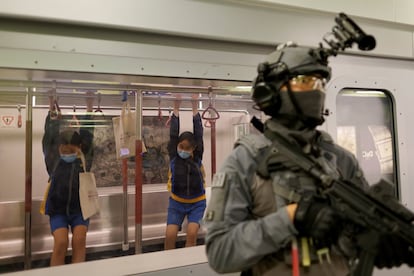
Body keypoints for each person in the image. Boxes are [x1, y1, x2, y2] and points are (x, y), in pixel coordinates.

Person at [204, 42, 414, 275]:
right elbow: (220, 253)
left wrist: (379, 241)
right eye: (304, 81)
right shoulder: (246, 161)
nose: (317, 91)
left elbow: (353, 238)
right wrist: (292, 218)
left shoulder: (341, 160)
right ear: (272, 92)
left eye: (320, 82)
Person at [42, 93, 94, 266]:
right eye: (64, 151)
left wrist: (89, 108)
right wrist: (51, 108)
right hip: (58, 210)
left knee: (79, 241)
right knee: (61, 243)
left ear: (79, 149)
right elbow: (49, 136)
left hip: (80, 209)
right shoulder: (53, 159)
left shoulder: (84, 159)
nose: (67, 154)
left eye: (71, 151)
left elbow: (87, 134)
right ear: (58, 149)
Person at [164, 94, 206, 250]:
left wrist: (195, 108)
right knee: (169, 235)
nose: (183, 150)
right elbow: (173, 135)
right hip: (176, 203)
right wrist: (176, 108)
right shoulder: (175, 155)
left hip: (197, 203)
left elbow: (199, 133)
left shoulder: (196, 157)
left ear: (193, 149)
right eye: (181, 147)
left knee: (192, 234)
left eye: (187, 148)